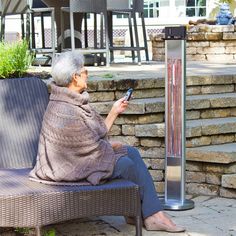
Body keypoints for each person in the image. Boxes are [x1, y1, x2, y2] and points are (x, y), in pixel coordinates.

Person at [29, 51, 185, 233]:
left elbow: (91, 137)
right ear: (75, 77)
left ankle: (141, 214)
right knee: (126, 163)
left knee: (131, 152)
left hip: (79, 159)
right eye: (85, 70)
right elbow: (84, 148)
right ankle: (153, 216)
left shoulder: (72, 100)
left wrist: (114, 111)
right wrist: (110, 146)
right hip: (66, 167)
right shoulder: (65, 109)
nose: (88, 73)